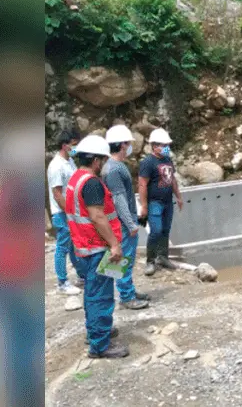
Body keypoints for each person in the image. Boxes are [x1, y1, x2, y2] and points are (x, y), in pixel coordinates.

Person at [65, 135, 129, 359]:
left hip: (83, 246)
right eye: (102, 160)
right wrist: (114, 245)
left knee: (93, 292)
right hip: (97, 247)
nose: (104, 165)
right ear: (96, 161)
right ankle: (100, 344)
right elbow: (97, 216)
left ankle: (96, 332)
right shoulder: (91, 183)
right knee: (100, 296)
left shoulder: (75, 178)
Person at [103, 125, 151, 310]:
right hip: (122, 224)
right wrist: (131, 223)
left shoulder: (113, 166)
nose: (130, 146)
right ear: (122, 145)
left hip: (120, 221)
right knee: (123, 258)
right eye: (128, 143)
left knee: (125, 259)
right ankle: (126, 295)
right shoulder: (114, 169)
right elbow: (119, 199)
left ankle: (127, 289)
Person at [138, 128, 184, 275]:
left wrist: (178, 196)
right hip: (154, 202)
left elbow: (173, 179)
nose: (167, 148)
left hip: (167, 202)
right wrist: (144, 205)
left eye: (167, 145)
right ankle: (150, 261)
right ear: (155, 146)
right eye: (164, 145)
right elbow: (142, 184)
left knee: (165, 230)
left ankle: (163, 257)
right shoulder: (148, 162)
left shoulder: (167, 160)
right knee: (156, 231)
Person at [47, 127, 83, 295]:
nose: (76, 148)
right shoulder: (56, 166)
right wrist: (69, 212)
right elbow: (57, 193)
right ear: (64, 145)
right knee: (62, 247)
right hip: (62, 213)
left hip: (72, 210)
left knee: (74, 245)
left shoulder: (70, 162)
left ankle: (82, 275)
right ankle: (62, 282)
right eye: (73, 145)